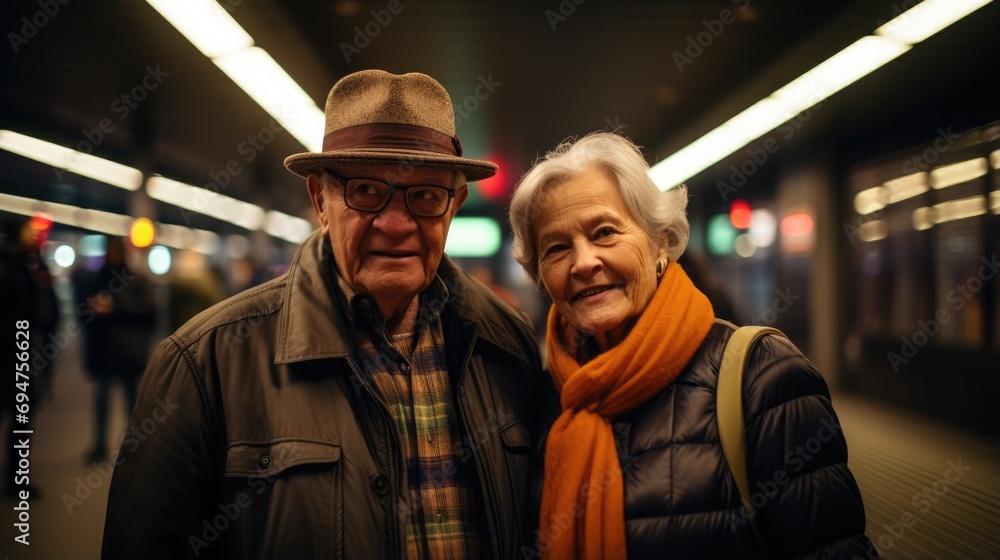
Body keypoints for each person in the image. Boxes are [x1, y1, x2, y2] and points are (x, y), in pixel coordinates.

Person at [102, 70, 544, 559]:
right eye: (366, 191)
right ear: (320, 200)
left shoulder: (508, 344)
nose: (396, 224)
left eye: (424, 195)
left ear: (454, 205)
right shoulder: (204, 362)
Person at [508, 132, 877, 558]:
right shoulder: (548, 397)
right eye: (556, 249)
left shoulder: (762, 376)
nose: (584, 261)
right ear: (540, 275)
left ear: (659, 242)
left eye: (605, 232)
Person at [76, 236, 158, 463]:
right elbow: (82, 311)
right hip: (104, 349)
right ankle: (100, 446)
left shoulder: (137, 279)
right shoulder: (96, 279)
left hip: (128, 350)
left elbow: (150, 310)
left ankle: (135, 446)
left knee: (132, 401)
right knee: (101, 400)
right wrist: (94, 309)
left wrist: (116, 308)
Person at [0, 214, 58, 497]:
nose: (34, 236)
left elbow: (45, 307)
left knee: (23, 416)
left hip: (23, 349)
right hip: (7, 349)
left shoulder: (32, 265)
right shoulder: (8, 267)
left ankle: (17, 479)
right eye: (28, 231)